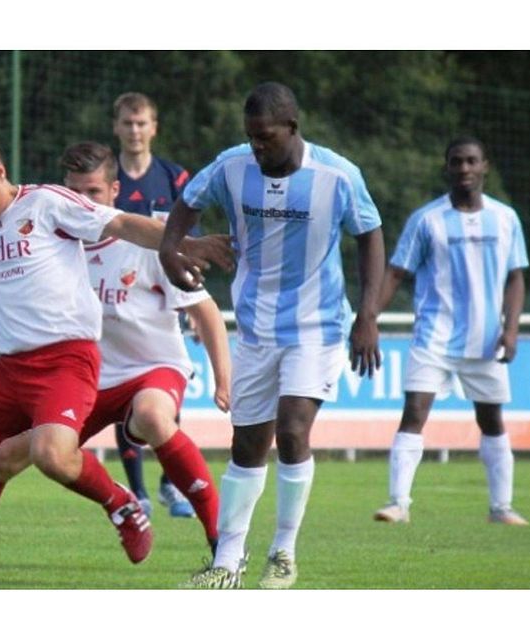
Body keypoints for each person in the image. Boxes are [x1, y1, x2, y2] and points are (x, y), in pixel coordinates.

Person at [0, 122, 232, 581]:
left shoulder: (46, 203)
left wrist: (182, 242)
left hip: (69, 360)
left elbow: (121, 222)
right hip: (12, 369)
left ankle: (130, 505)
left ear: (0, 170)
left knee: (55, 453)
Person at [159, 82, 385, 589]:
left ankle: (283, 552)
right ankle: (228, 563)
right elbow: (186, 204)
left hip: (318, 327)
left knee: (292, 430)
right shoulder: (232, 166)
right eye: (251, 137)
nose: (257, 147)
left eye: (265, 138)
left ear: (292, 129)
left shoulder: (337, 175)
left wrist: (368, 315)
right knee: (246, 444)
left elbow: (370, 234)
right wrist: (170, 252)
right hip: (256, 326)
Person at [373, 136, 530, 527]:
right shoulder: (426, 220)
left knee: (491, 420)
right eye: (456, 162)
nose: (464, 168)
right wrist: (368, 318)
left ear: (485, 166)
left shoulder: (505, 218)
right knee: (414, 412)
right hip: (434, 337)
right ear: (447, 167)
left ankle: (501, 508)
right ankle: (398, 504)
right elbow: (396, 272)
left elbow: (515, 277)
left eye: (471, 161)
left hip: (485, 339)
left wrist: (511, 330)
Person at [111, 91, 197, 518]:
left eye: (141, 123)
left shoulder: (175, 178)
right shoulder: (107, 179)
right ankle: (139, 491)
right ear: (117, 127)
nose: (134, 131)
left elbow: (184, 243)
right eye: (127, 123)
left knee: (164, 396)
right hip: (113, 302)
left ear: (154, 127)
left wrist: (192, 300)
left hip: (162, 301)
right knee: (122, 394)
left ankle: (171, 484)